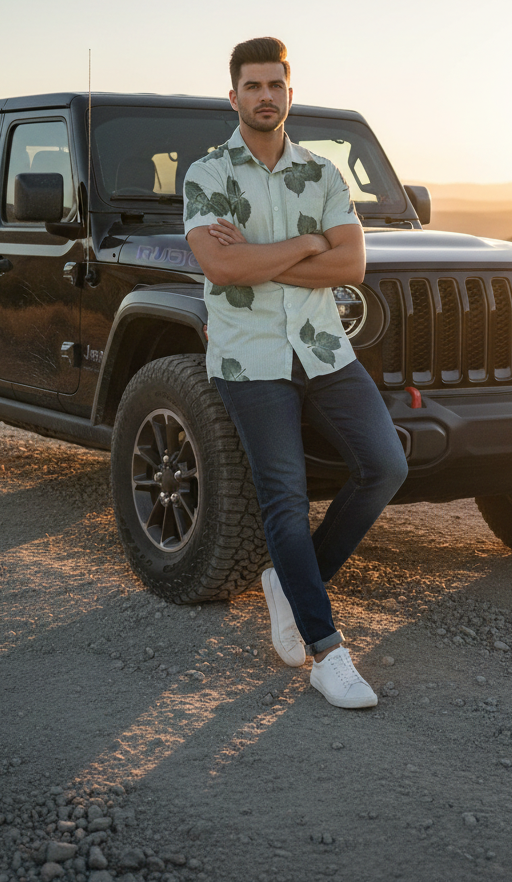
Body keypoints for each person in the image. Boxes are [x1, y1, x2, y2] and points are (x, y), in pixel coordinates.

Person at [184, 36, 408, 709]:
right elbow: (221, 269)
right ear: (234, 96)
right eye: (252, 86)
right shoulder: (207, 174)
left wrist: (272, 253)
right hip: (248, 356)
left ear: (290, 92)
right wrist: (312, 242)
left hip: (322, 347)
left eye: (275, 85)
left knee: (386, 465)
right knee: (285, 497)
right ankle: (326, 653)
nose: (265, 97)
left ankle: (288, 578)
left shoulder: (324, 174)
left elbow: (352, 266)